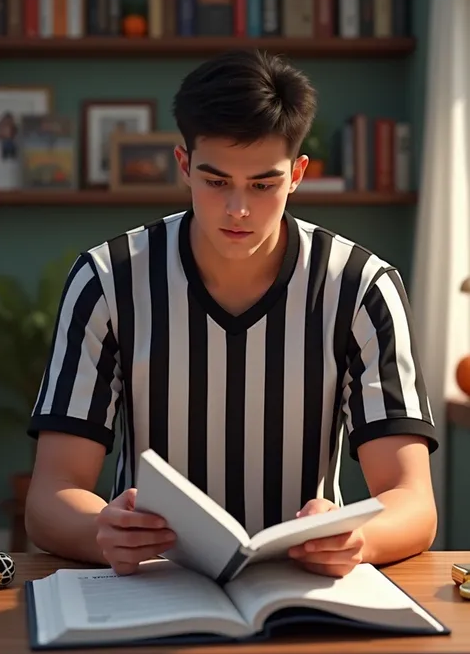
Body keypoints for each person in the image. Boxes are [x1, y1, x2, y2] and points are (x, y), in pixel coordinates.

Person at [26, 49, 438, 586]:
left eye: (263, 185)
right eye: (216, 181)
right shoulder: (107, 280)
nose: (238, 209)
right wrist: (100, 531)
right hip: (152, 587)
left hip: (308, 590)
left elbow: (413, 500)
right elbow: (49, 497)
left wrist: (360, 539)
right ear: (184, 165)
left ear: (297, 174)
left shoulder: (363, 287)